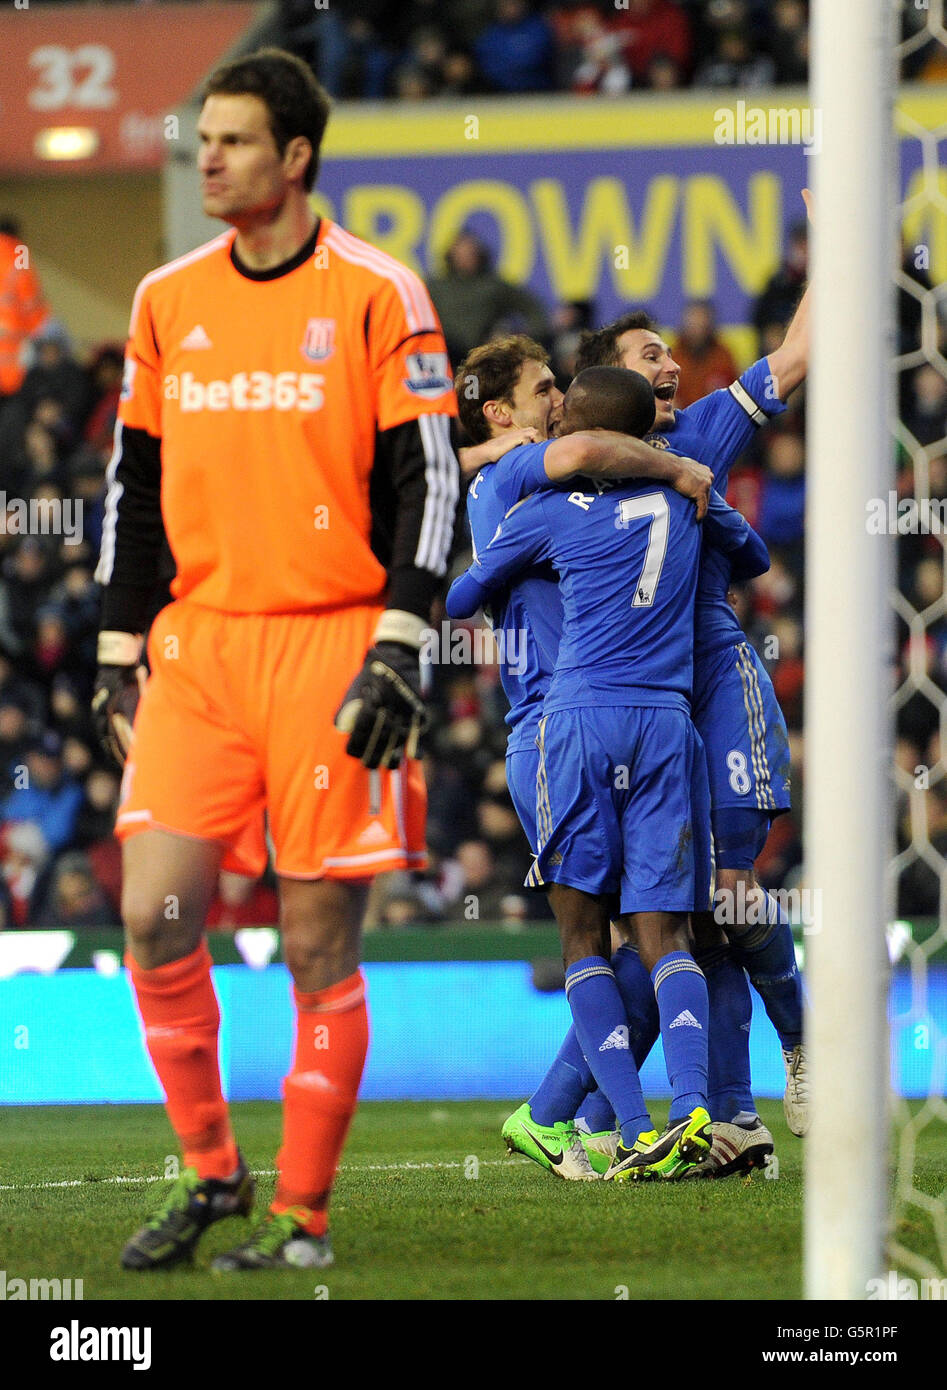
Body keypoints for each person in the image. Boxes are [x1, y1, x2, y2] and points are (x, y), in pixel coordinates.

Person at [92, 48, 459, 1272]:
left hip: (332, 645)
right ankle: (212, 1175)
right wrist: (114, 640)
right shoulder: (163, 298)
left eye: (235, 141)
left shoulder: (378, 291)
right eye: (203, 138)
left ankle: (302, 1214)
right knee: (153, 915)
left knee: (315, 941)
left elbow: (428, 481)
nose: (208, 157)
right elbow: (131, 487)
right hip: (198, 650)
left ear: (295, 158)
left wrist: (403, 637)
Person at [448, 367, 771, 1179]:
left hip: (574, 723)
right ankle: (692, 1110)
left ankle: (628, 1128)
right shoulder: (687, 500)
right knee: (668, 936)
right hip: (667, 724)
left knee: (584, 937)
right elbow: (756, 556)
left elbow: (459, 598)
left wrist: (519, 570)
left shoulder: (544, 511)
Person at [575, 234, 810, 1137]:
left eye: (668, 353)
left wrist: (828, 249)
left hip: (716, 681)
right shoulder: (571, 467)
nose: (671, 365)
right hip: (637, 706)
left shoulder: (701, 428)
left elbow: (793, 355)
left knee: (731, 892)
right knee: (681, 919)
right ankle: (731, 1117)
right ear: (609, 386)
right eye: (649, 356)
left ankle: (800, 1049)